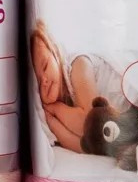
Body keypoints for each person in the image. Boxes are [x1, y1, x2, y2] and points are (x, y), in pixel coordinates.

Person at [28, 19, 103, 153]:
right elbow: (86, 147)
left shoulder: (78, 65)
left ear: (55, 53)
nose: (44, 80)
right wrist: (50, 121)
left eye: (45, 66)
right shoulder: (64, 112)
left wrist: (56, 109)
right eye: (38, 83)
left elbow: (91, 126)